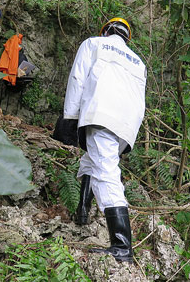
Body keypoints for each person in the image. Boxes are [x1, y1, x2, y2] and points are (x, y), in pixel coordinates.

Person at [62, 17, 147, 262]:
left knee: (107, 172)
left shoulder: (94, 44)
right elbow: (140, 102)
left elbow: (78, 79)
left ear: (106, 30)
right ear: (126, 36)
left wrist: (70, 116)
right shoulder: (138, 62)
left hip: (101, 114)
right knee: (94, 161)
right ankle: (82, 213)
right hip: (125, 125)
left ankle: (122, 245)